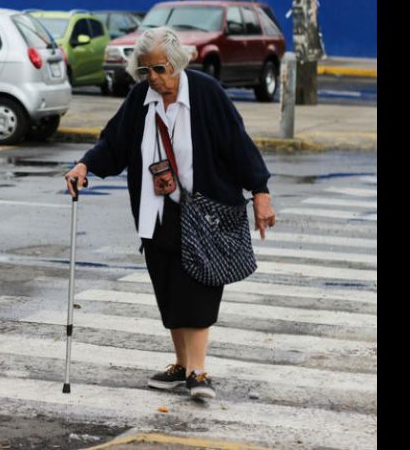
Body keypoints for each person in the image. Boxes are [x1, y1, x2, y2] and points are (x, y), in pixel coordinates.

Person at [64, 26, 276, 400]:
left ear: (177, 64)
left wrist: (260, 191)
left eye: (159, 69)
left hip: (203, 211)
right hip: (157, 212)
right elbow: (113, 142)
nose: (153, 78)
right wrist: (85, 165)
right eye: (145, 71)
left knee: (197, 289)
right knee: (169, 290)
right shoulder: (140, 100)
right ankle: (181, 365)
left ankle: (198, 372)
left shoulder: (206, 94)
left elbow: (236, 143)